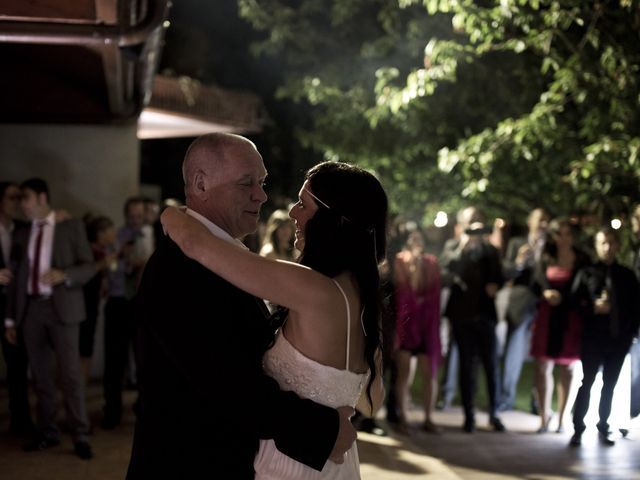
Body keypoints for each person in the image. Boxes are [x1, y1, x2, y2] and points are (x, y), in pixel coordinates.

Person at [126, 134, 363, 479]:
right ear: (201, 183)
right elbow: (227, 384)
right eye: (246, 183)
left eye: (262, 182)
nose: (261, 195)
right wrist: (321, 430)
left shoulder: (220, 257)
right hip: (188, 464)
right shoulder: (180, 268)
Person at [4, 177, 95, 459]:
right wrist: (10, 320)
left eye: (26, 198)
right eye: (18, 199)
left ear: (42, 198)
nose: (21, 204)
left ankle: (80, 434)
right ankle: (48, 432)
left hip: (63, 308)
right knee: (41, 378)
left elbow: (90, 265)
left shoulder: (71, 225)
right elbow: (16, 279)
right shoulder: (21, 232)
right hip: (30, 311)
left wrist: (64, 275)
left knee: (70, 376)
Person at [569, 227, 640, 446]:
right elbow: (574, 303)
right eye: (603, 243)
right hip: (593, 338)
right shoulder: (586, 273)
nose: (607, 247)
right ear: (597, 246)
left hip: (618, 339)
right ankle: (578, 428)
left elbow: (635, 307)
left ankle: (603, 425)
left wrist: (630, 334)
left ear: (617, 245)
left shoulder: (627, 276)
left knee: (610, 384)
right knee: (587, 381)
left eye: (611, 243)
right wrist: (592, 308)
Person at [440, 206, 505, 433]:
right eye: (471, 221)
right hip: (462, 315)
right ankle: (469, 415)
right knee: (467, 366)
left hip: (485, 314)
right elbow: (447, 269)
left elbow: (499, 275)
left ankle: (494, 413)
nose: (476, 224)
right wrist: (463, 244)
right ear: (462, 225)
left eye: (479, 220)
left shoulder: (490, 250)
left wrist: (495, 285)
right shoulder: (453, 247)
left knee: (490, 365)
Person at [530, 217, 589, 434]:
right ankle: (544, 416)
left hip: (570, 317)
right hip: (547, 315)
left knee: (569, 367)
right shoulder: (546, 257)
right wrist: (545, 292)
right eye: (559, 234)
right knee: (542, 366)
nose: (563, 239)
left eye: (568, 234)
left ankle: (563, 418)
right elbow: (535, 283)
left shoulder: (582, 259)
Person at [102, 197, 151, 429]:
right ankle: (112, 411)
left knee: (145, 359)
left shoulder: (155, 235)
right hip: (119, 301)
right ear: (125, 215)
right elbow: (110, 270)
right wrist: (123, 259)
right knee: (114, 361)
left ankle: (144, 409)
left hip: (143, 304)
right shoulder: (117, 237)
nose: (135, 221)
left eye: (139, 217)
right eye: (132, 217)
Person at [499, 208, 549, 411]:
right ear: (530, 221)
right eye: (540, 219)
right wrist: (519, 262)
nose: (543, 224)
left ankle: (537, 402)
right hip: (520, 304)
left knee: (541, 356)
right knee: (514, 352)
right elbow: (506, 272)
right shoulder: (517, 243)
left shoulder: (550, 247)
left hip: (543, 304)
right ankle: (506, 399)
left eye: (546, 220)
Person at [393, 229, 442, 434]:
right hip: (407, 324)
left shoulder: (431, 262)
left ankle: (429, 417)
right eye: (412, 239)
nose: (416, 243)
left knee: (429, 372)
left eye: (419, 239)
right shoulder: (400, 261)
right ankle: (403, 417)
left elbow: (435, 292)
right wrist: (412, 269)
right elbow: (403, 292)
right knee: (404, 373)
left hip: (426, 324)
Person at [0, 181, 34, 437]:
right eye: (13, 197)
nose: (19, 202)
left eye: (22, 197)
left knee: (17, 365)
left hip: (14, 308)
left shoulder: (25, 228)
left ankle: (20, 422)